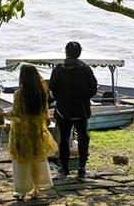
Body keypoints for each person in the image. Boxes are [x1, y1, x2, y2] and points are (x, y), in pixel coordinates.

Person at [0, 64, 58, 200]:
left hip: (21, 132)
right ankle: (39, 188)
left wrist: (3, 113)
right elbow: (45, 113)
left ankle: (22, 190)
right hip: (37, 130)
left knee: (21, 161)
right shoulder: (42, 91)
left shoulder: (19, 94)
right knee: (38, 159)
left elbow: (16, 114)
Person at [48, 41, 98, 179]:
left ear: (66, 52)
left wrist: (61, 98)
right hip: (81, 109)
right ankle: (82, 167)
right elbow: (93, 89)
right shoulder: (86, 69)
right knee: (83, 138)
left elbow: (52, 87)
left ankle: (65, 168)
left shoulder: (58, 68)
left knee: (63, 139)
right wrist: (83, 97)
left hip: (63, 110)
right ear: (80, 53)